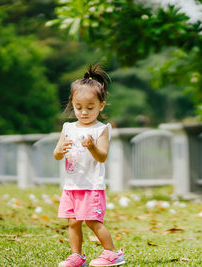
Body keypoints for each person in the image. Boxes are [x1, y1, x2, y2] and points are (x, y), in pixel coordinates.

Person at [54, 64, 125, 267]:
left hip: (91, 185)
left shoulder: (101, 130)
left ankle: (112, 253)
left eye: (90, 107)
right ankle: (77, 256)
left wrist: (92, 147)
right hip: (72, 185)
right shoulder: (68, 128)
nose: (84, 112)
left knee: (93, 221)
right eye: (78, 107)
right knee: (73, 222)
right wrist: (61, 150)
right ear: (72, 104)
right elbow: (57, 154)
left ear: (101, 106)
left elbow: (102, 157)